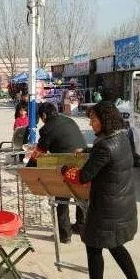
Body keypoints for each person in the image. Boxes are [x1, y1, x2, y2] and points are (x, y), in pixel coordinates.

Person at [61, 101, 140, 279]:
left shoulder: (104, 146)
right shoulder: (122, 138)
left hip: (106, 208)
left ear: (104, 120)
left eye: (93, 119)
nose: (91, 123)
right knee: (114, 245)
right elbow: (106, 156)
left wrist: (64, 170)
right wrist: (88, 151)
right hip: (121, 204)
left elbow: (83, 176)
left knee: (94, 244)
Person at [29, 102, 86, 244]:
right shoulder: (69, 120)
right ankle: (81, 226)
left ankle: (65, 234)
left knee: (61, 199)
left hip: (66, 166)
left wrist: (28, 169)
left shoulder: (47, 129)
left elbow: (39, 153)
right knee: (81, 196)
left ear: (44, 115)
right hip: (84, 163)